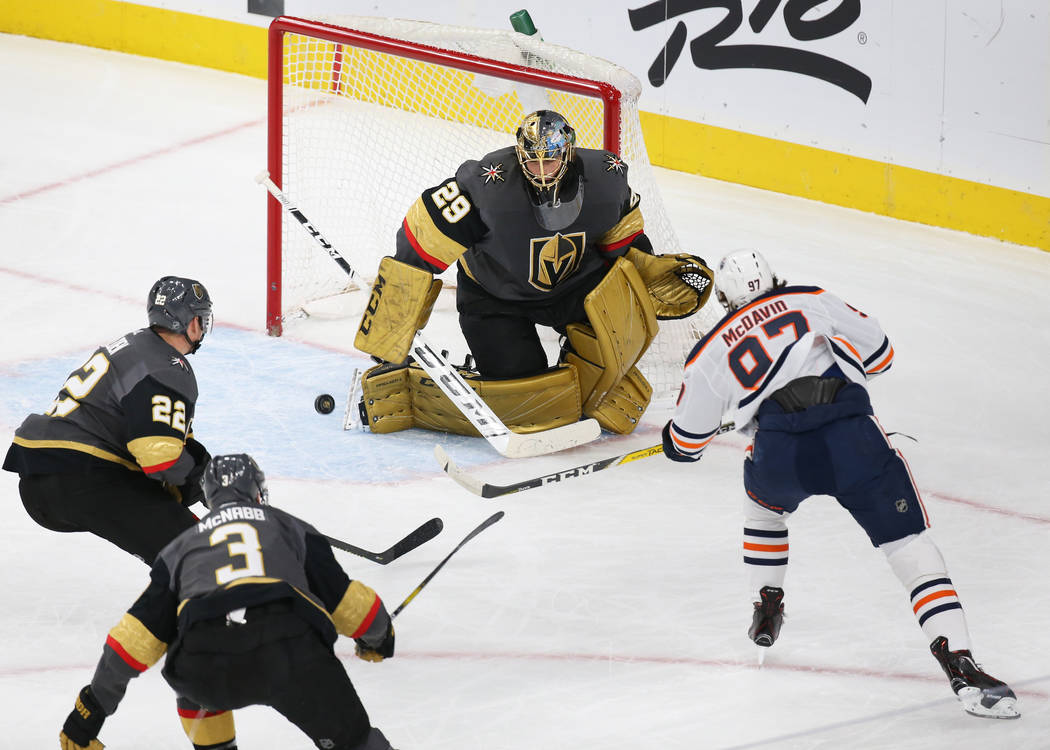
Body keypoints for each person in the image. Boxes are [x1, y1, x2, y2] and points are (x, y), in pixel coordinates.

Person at [662, 249, 1019, 720]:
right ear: (775, 278)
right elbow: (882, 354)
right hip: (852, 438)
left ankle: (767, 600)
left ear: (725, 300)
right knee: (910, 547)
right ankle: (961, 663)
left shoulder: (710, 351)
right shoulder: (809, 298)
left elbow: (687, 443)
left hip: (781, 453)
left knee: (764, 512)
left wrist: (672, 441)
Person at [352, 109, 714, 437]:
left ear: (568, 154)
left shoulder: (606, 181)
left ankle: (597, 381)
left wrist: (654, 274)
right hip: (495, 296)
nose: (541, 171)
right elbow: (417, 249)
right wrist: (388, 336)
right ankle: (422, 392)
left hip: (575, 290)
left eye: (550, 160)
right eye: (532, 161)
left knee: (607, 362)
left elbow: (626, 248)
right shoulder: (486, 187)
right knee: (525, 394)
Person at [58, 453, 397, 750]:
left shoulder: (180, 546)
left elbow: (133, 640)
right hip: (291, 654)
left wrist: (91, 710)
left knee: (190, 664)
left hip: (206, 665)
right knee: (357, 743)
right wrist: (378, 638)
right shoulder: (289, 526)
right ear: (258, 492)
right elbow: (350, 605)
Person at [3, 276, 214, 564]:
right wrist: (210, 486)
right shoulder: (168, 366)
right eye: (202, 319)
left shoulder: (133, 345)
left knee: (180, 540)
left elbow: (167, 444)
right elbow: (160, 458)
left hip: (40, 478)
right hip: (83, 475)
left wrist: (199, 480)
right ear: (192, 323)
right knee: (202, 553)